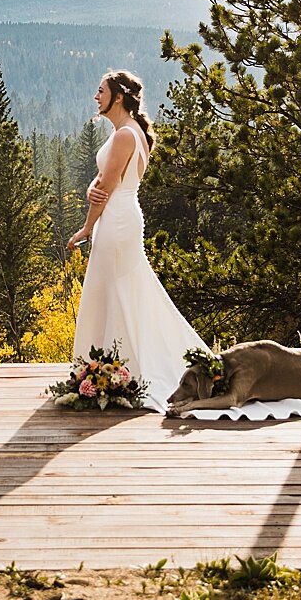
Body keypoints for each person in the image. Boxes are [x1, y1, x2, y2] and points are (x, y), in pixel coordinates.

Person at [67, 70, 209, 411]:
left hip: (115, 221)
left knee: (113, 292)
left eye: (100, 91)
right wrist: (95, 187)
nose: (95, 96)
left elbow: (104, 190)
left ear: (118, 96)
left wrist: (86, 229)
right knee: (123, 292)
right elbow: (108, 180)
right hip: (123, 215)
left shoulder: (123, 137)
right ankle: (109, 370)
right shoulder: (132, 134)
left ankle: (115, 372)